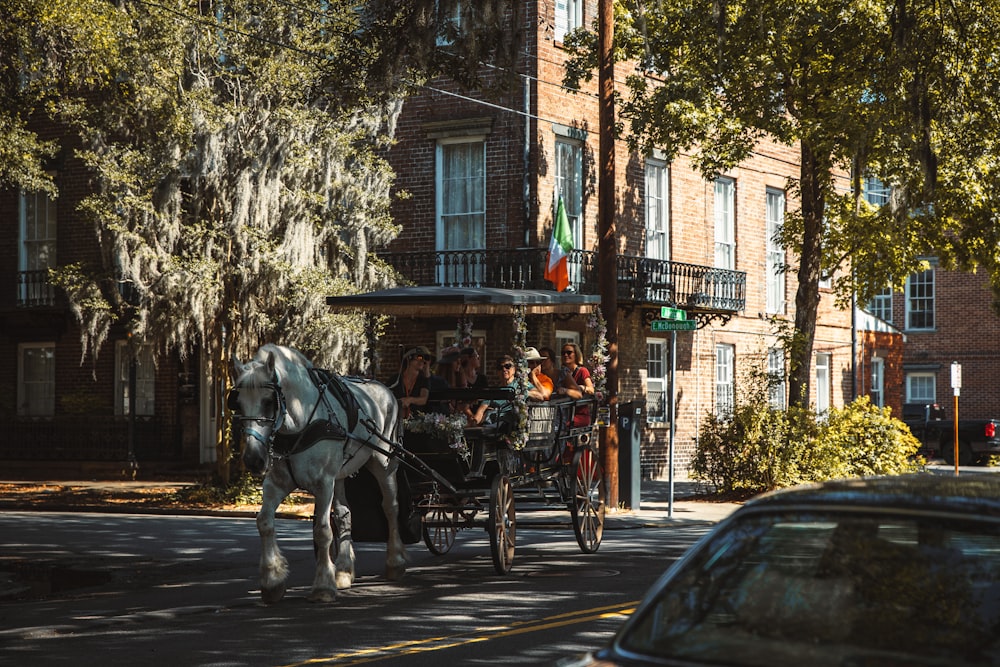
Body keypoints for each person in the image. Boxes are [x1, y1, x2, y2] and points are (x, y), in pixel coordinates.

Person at [556, 342, 594, 426]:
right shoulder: (562, 373)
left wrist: (580, 388)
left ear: (576, 354)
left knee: (560, 426)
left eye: (569, 352)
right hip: (564, 413)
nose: (566, 355)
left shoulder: (582, 371)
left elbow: (591, 390)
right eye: (563, 353)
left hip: (578, 415)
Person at [389, 346, 430, 418]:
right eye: (419, 357)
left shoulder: (423, 379)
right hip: (397, 419)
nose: (422, 361)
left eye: (424, 358)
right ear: (409, 358)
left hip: (416, 421)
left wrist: (410, 400)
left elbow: (423, 399)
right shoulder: (395, 379)